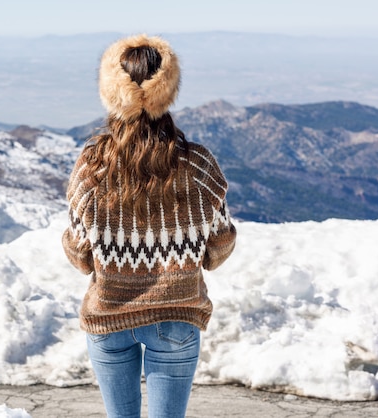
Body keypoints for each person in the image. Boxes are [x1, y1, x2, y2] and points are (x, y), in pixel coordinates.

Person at [62, 34, 237, 418]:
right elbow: (219, 247)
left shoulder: (92, 165)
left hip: (109, 315)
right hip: (175, 316)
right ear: (168, 90)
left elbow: (79, 254)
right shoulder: (199, 165)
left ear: (111, 92)